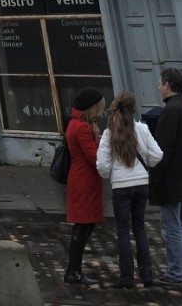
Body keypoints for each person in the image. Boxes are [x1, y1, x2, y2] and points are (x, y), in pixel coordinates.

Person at [98, 89, 164, 288]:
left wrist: (111, 175)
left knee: (123, 231)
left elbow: (102, 165)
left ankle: (127, 278)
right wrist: (146, 165)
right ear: (134, 109)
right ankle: (147, 276)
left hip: (121, 187)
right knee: (140, 229)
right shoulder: (142, 129)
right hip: (142, 184)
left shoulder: (109, 132)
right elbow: (157, 154)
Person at [151, 68, 182, 284]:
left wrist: (154, 178)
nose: (158, 86)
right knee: (178, 227)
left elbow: (163, 149)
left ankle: (176, 273)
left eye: (160, 83)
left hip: (171, 178)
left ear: (168, 85)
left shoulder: (170, 111)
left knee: (170, 228)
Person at [64, 88, 107, 285]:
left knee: (84, 226)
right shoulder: (82, 127)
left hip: (83, 178)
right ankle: (74, 272)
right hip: (85, 180)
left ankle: (74, 270)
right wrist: (104, 144)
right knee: (82, 227)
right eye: (100, 106)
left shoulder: (77, 124)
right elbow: (93, 157)